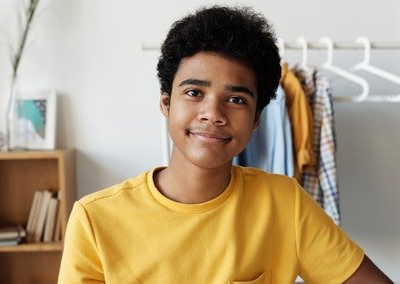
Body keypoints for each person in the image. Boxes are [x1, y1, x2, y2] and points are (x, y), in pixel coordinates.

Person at [57, 6, 394, 284]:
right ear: (165, 102)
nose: (213, 114)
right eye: (194, 93)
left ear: (257, 119)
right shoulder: (94, 219)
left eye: (235, 99)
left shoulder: (284, 203)